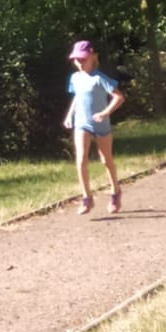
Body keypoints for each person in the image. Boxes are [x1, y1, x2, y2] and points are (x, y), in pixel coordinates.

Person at [64, 39, 126, 215]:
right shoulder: (75, 78)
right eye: (76, 60)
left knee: (106, 160)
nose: (80, 63)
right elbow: (77, 97)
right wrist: (69, 115)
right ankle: (86, 198)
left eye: (83, 59)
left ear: (93, 57)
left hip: (101, 124)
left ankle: (115, 191)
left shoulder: (99, 78)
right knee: (81, 160)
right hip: (81, 124)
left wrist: (105, 113)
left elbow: (119, 97)